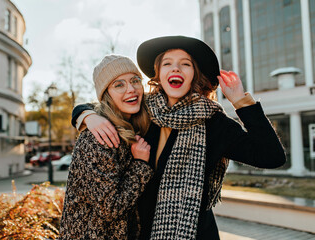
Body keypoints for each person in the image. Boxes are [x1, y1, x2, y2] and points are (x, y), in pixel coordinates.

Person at [71, 36, 286, 239]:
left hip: (196, 233)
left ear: (194, 74)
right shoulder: (143, 110)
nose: (175, 68)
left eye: (185, 64)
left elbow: (271, 156)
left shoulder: (214, 123)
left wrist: (241, 102)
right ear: (158, 74)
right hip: (140, 233)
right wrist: (87, 115)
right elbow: (106, 104)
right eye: (167, 63)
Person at [59, 55, 154, 240]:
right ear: (106, 94)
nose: (131, 89)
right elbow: (110, 208)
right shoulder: (97, 138)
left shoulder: (133, 125)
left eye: (135, 81)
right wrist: (141, 165)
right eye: (119, 84)